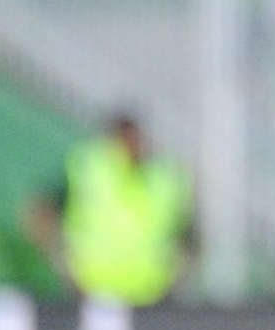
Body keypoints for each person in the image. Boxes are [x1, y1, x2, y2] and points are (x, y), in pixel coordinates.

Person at [22, 113, 193, 308]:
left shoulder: (165, 177)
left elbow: (188, 238)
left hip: (154, 298)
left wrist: (176, 278)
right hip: (92, 296)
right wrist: (63, 265)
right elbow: (38, 213)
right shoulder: (89, 170)